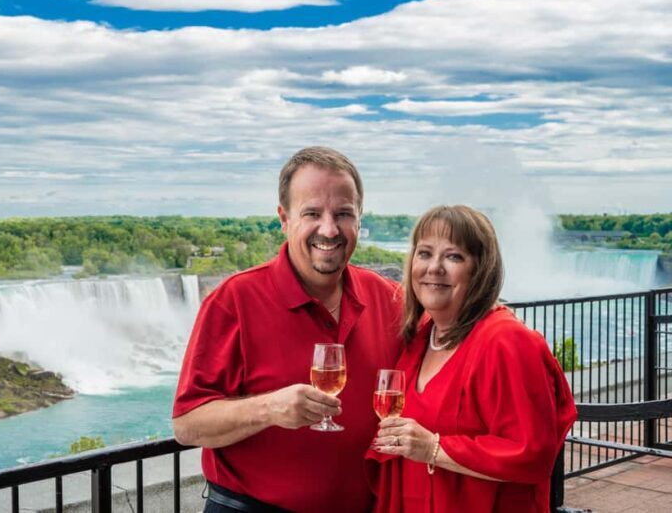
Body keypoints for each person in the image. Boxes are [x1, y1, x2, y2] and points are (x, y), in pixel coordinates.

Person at [173, 147, 403, 512]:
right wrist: (269, 409)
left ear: (359, 219)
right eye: (312, 213)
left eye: (343, 214)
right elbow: (187, 426)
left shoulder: (391, 300)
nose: (329, 229)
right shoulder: (234, 300)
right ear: (284, 218)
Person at [366, 205, 577, 512]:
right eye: (425, 253)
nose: (434, 267)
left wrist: (433, 448)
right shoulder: (421, 339)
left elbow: (532, 454)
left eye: (453, 256)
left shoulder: (507, 342)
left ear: (481, 270)